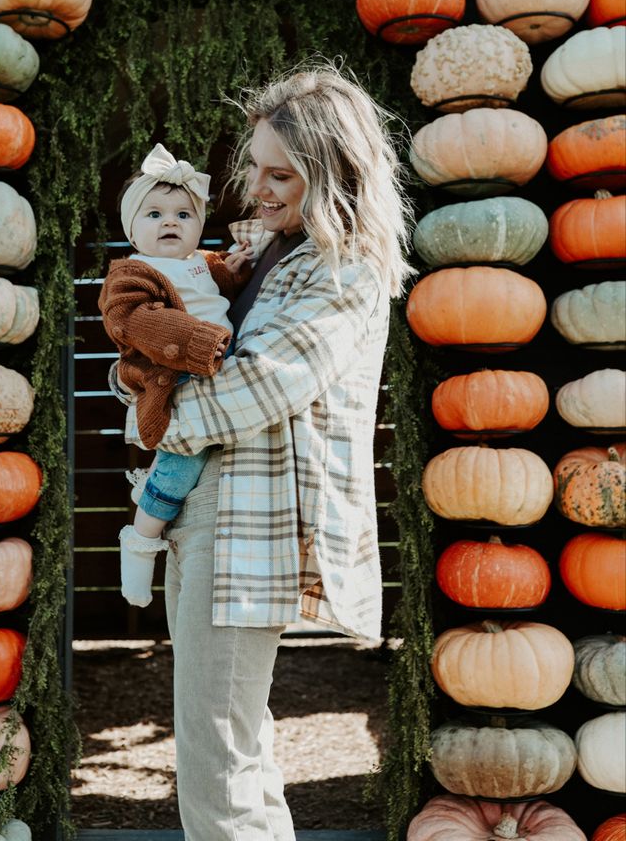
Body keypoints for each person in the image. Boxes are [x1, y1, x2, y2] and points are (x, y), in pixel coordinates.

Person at [108, 62, 413, 840]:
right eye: (257, 167)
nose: (261, 187)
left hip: (249, 529)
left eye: (285, 174)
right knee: (231, 747)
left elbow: (258, 390)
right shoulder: (263, 253)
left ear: (335, 175)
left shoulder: (339, 270)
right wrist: (134, 378)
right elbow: (154, 353)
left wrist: (149, 416)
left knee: (219, 760)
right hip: (207, 513)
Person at [99, 143, 253, 607]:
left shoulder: (200, 264)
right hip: (175, 381)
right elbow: (136, 321)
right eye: (155, 215)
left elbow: (214, 285)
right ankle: (142, 535)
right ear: (132, 228)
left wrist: (234, 270)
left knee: (209, 458)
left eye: (184, 215)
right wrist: (203, 343)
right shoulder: (132, 274)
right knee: (181, 464)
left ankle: (154, 503)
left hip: (210, 374)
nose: (170, 222)